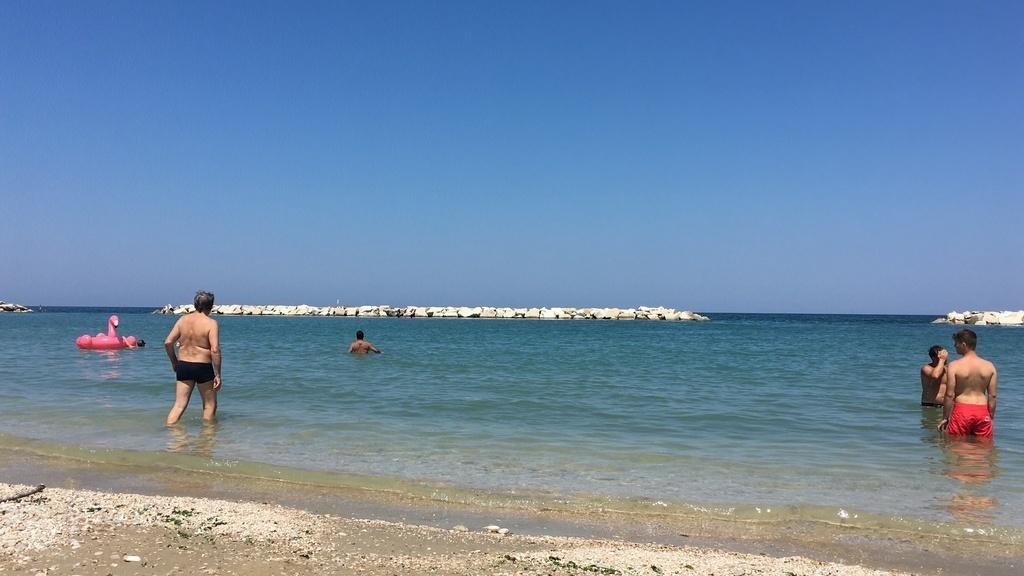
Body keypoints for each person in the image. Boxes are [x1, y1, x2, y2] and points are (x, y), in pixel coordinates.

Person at [164, 291, 221, 424]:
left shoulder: (182, 320)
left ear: (195, 304)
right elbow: (215, 350)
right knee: (209, 406)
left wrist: (174, 362)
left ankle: (170, 434)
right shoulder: (211, 323)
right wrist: (217, 374)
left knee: (179, 405)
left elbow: (168, 342)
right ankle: (206, 440)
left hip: (184, 365)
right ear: (211, 307)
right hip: (203, 367)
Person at [938, 329, 997, 438]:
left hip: (962, 411)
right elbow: (992, 396)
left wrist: (945, 418)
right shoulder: (989, 366)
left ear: (964, 344)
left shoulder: (954, 366)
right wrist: (990, 416)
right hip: (982, 410)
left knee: (956, 446)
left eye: (956, 343)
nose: (955, 346)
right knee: (983, 447)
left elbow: (949, 395)